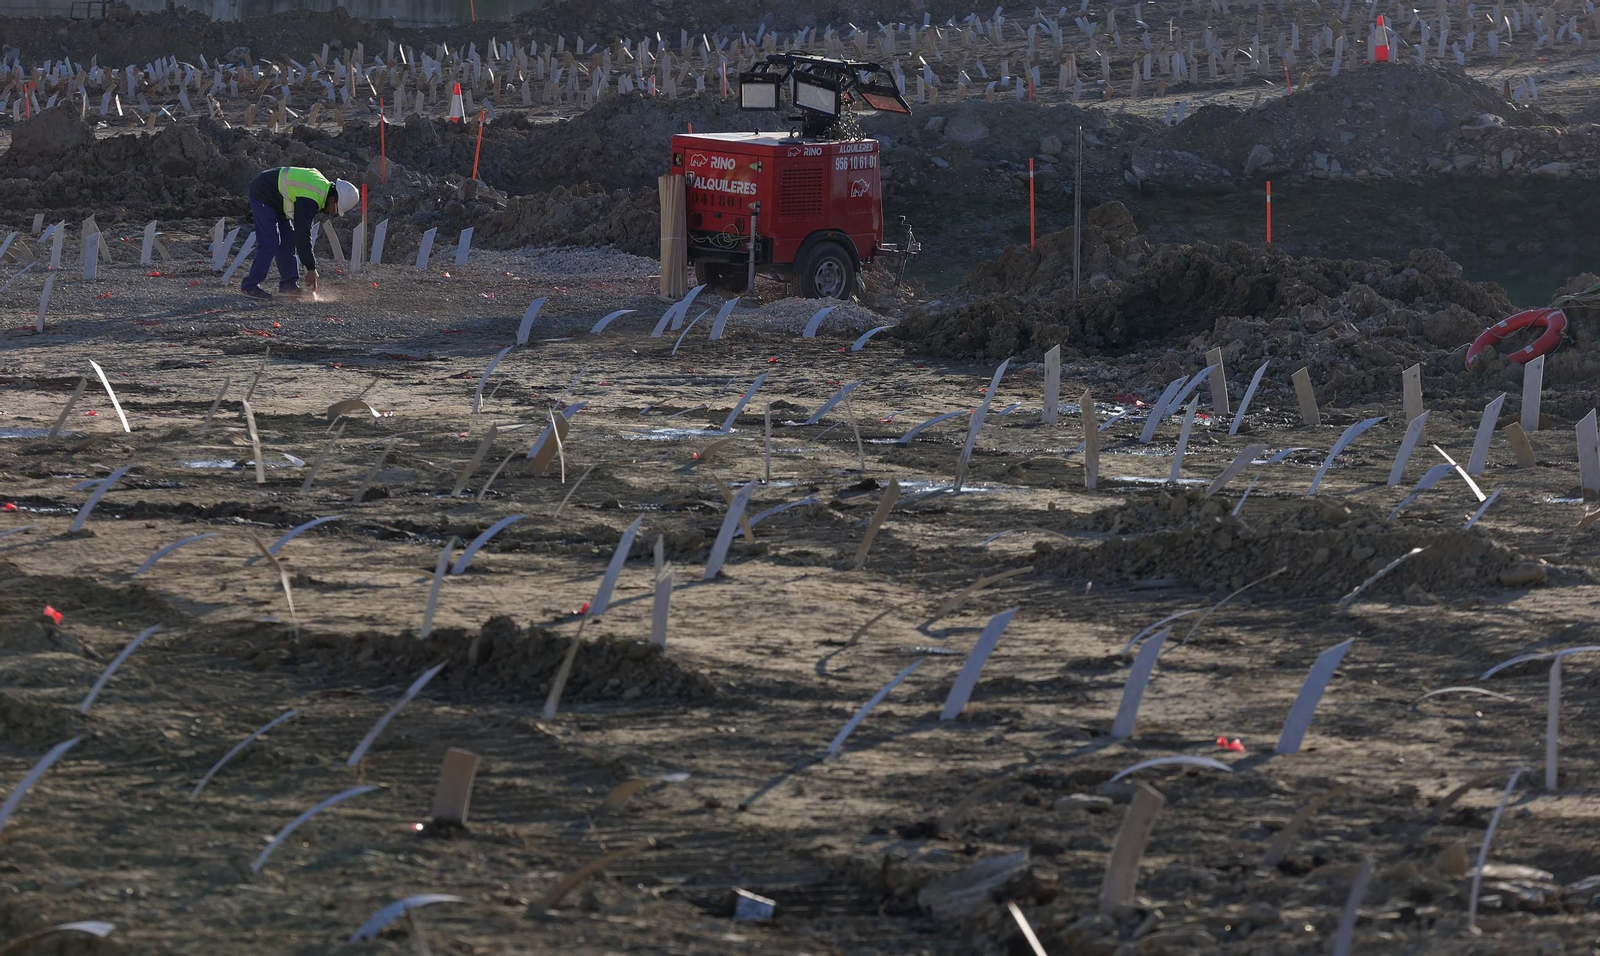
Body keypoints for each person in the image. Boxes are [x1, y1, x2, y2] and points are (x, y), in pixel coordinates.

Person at [240, 166, 359, 300]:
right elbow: (302, 234)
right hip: (263, 192)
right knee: (270, 242)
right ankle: (250, 286)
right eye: (336, 210)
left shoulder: (321, 188)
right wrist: (311, 268)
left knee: (288, 240)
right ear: (333, 199)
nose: (333, 213)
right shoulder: (311, 197)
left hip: (277, 197)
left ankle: (289, 286)